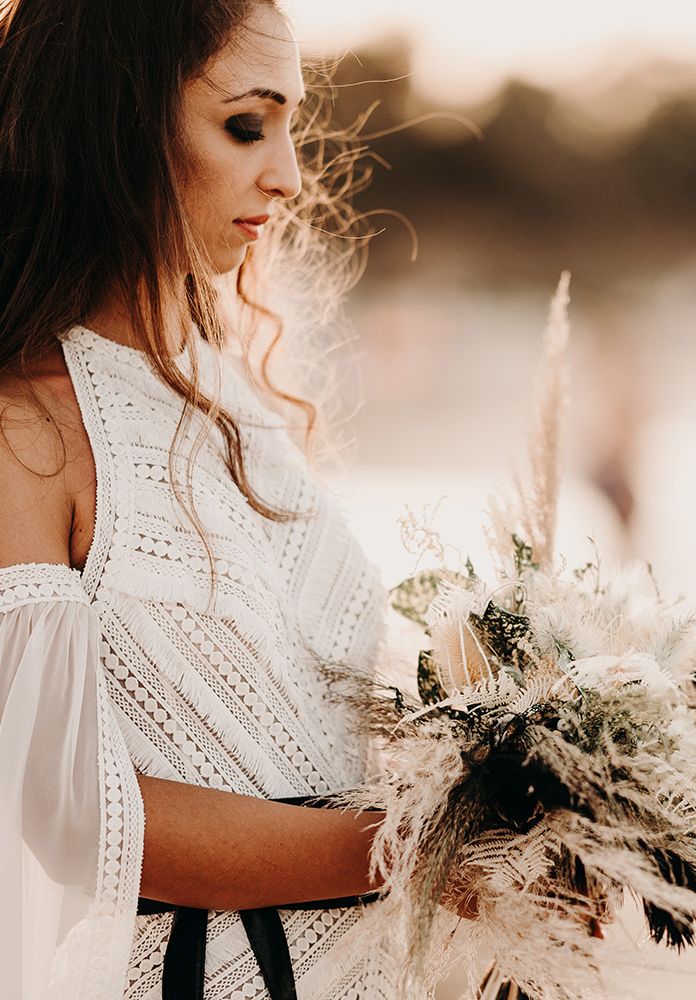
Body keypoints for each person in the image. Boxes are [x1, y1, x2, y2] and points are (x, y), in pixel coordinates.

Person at [0, 2, 474, 997]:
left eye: (293, 126)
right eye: (246, 125)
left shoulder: (228, 389)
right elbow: (70, 813)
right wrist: (424, 852)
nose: (289, 174)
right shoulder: (26, 429)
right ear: (113, 126)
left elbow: (310, 719)